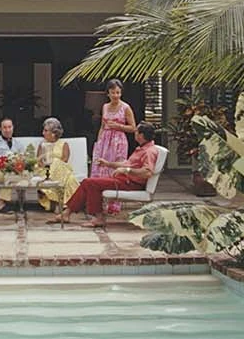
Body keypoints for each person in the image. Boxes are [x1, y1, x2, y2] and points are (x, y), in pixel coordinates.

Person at [62, 124, 158, 228]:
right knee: (88, 182)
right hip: (123, 179)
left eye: (136, 132)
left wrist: (127, 170)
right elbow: (126, 164)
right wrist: (108, 164)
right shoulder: (141, 148)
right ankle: (66, 213)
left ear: (141, 135)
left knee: (90, 183)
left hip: (130, 183)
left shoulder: (149, 151)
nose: (134, 134)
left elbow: (147, 172)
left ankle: (98, 218)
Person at [90, 79, 137, 216]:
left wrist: (118, 126)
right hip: (105, 140)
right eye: (113, 93)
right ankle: (98, 203)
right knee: (101, 168)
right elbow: (102, 126)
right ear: (108, 93)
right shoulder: (105, 107)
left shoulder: (126, 107)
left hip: (119, 142)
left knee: (115, 170)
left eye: (118, 92)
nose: (116, 95)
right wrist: (99, 142)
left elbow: (133, 127)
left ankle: (114, 205)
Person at [36, 116, 79, 220]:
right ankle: (58, 202)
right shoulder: (42, 144)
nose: (43, 133)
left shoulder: (64, 144)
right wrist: (47, 165)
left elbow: (65, 159)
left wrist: (53, 164)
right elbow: (39, 161)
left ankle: (58, 201)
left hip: (61, 170)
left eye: (46, 131)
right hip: (45, 170)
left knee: (70, 178)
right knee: (56, 167)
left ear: (53, 133)